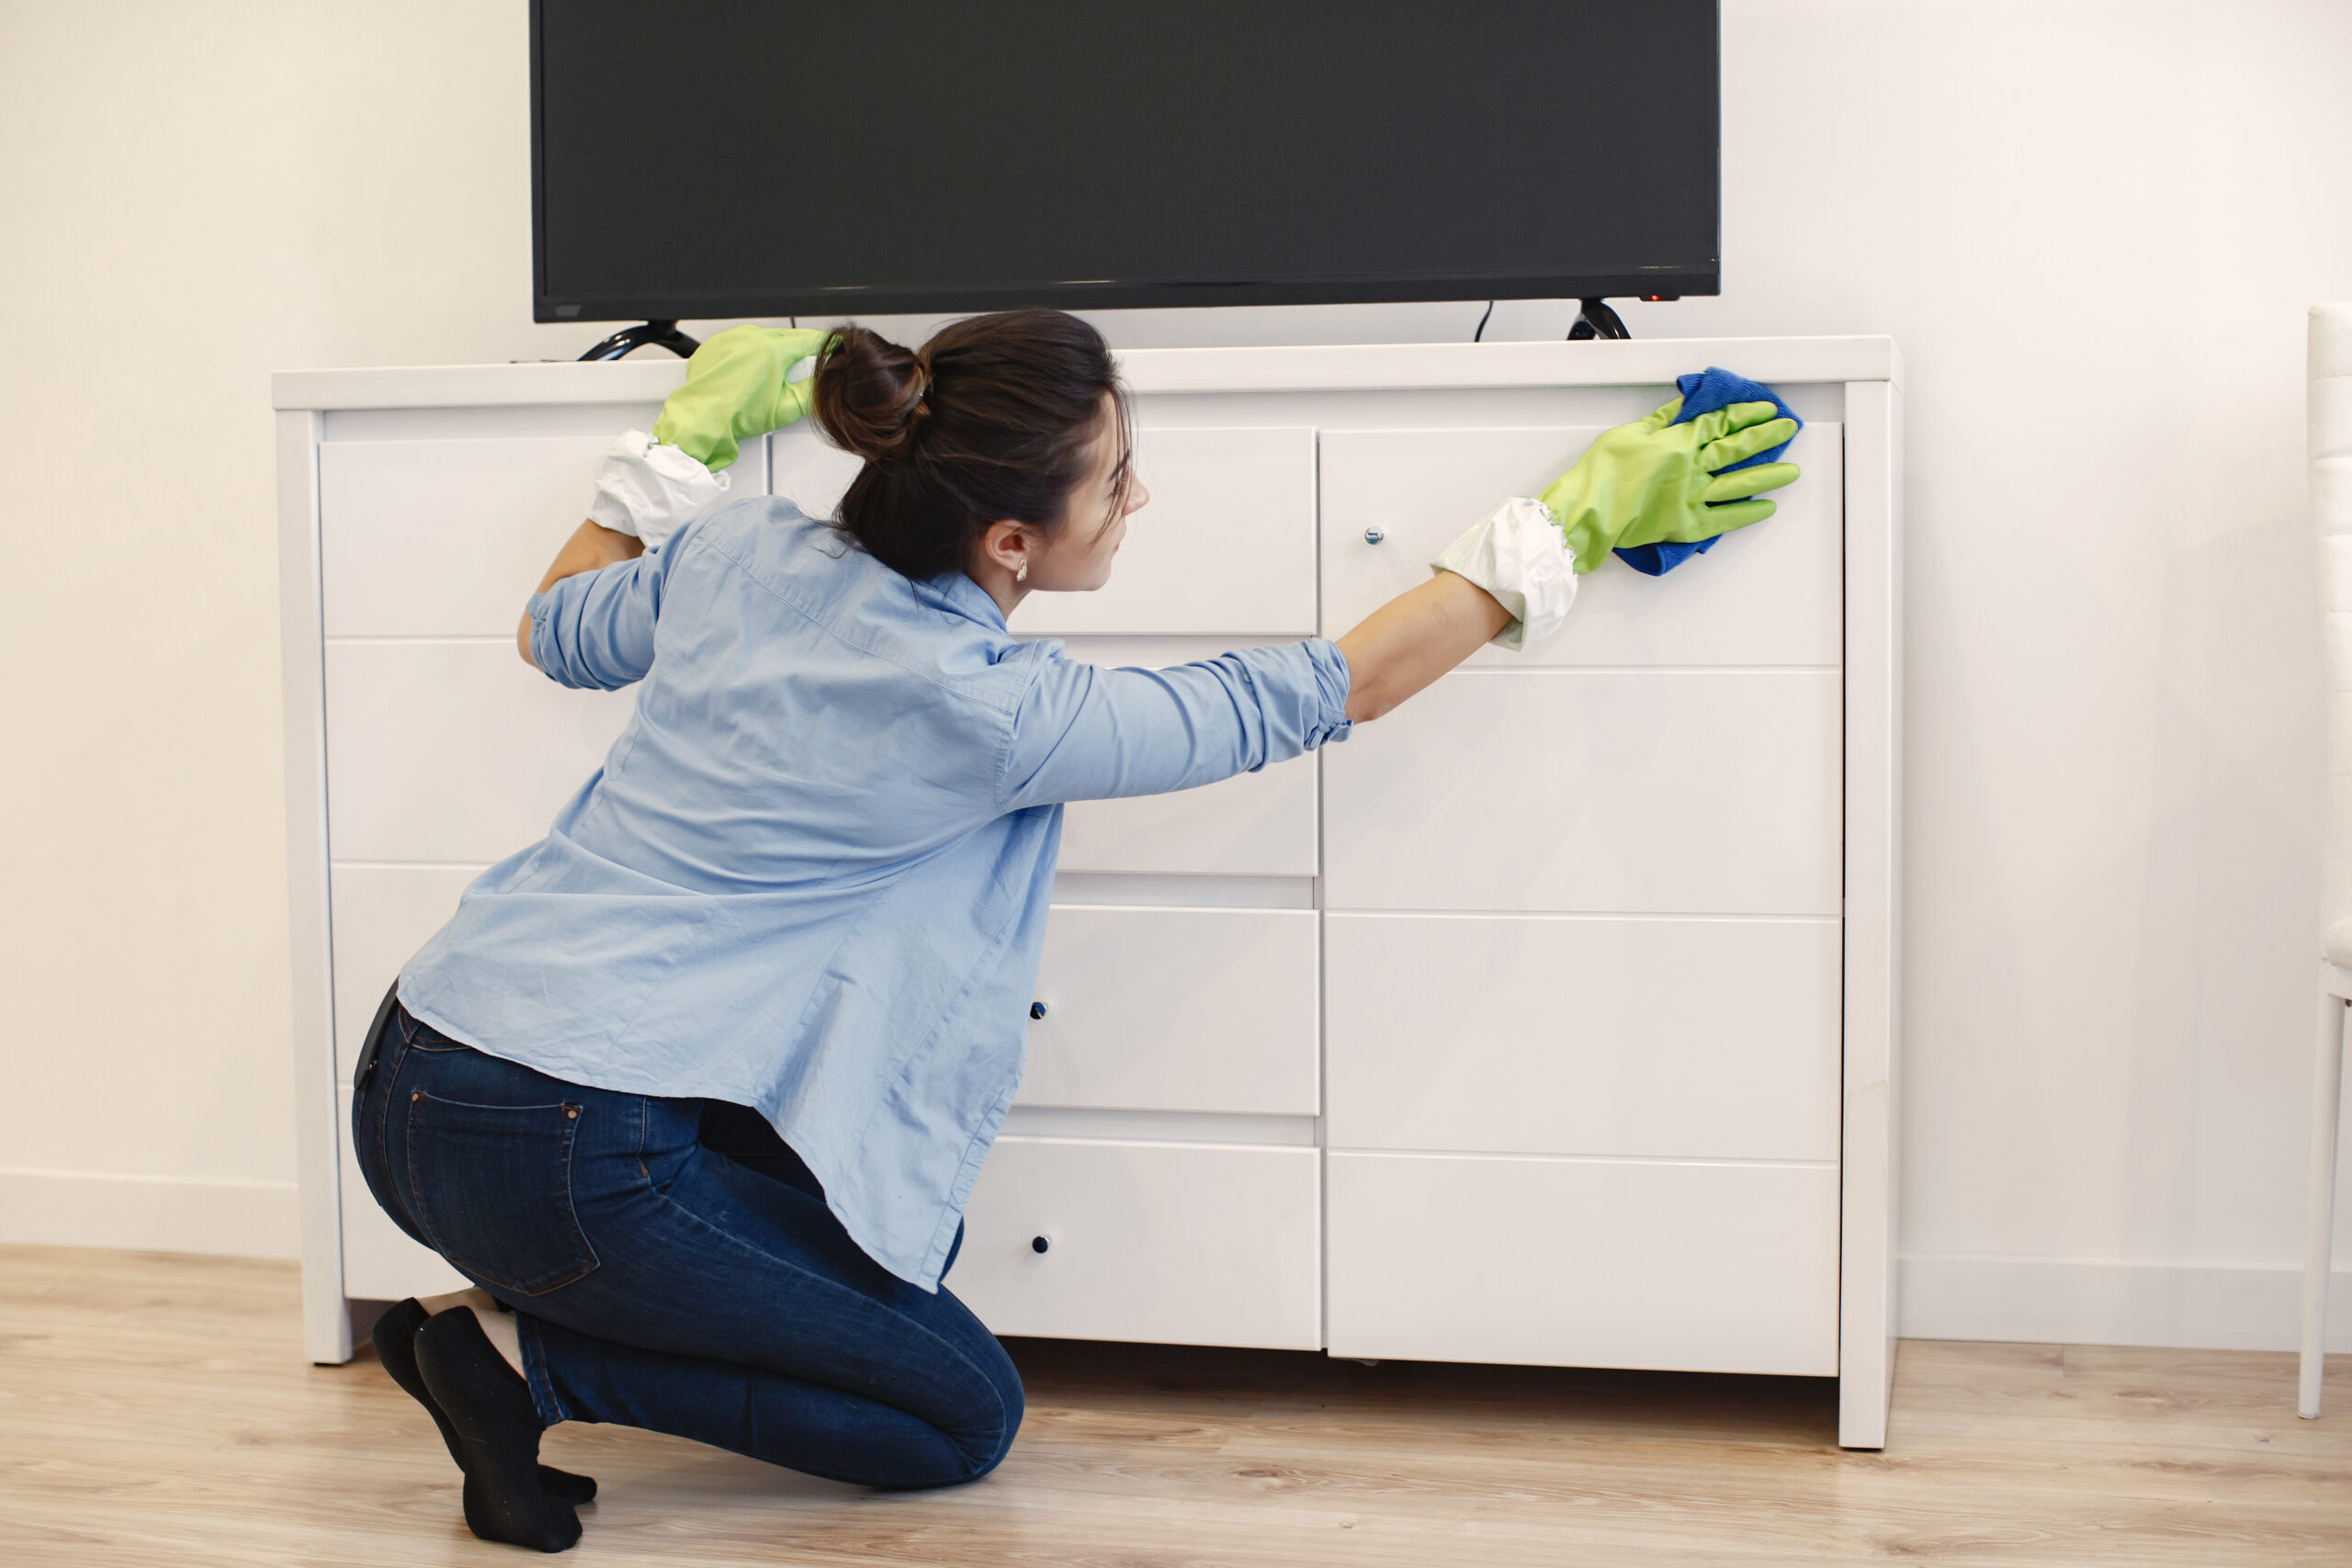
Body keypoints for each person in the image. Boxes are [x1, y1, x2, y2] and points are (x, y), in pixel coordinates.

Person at [348, 308, 1798, 1551]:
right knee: (957, 1416)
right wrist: (1566, 519)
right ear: (1010, 541)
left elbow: (552, 625)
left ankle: (524, 1330)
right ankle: (521, 1366)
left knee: (872, 1213)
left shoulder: (735, 546)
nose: (1136, 497)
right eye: (1114, 482)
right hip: (561, 1151)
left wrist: (680, 442)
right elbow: (1332, 688)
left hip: (409, 1065)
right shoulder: (988, 710)